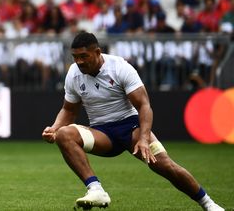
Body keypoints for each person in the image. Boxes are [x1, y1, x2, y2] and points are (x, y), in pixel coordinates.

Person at [42, 31, 224, 211]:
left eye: (84, 56)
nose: (79, 61)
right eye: (75, 57)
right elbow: (69, 109)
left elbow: (144, 105)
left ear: (97, 52)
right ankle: (96, 190)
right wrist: (55, 128)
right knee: (64, 134)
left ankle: (208, 204)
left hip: (131, 129)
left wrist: (144, 139)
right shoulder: (73, 73)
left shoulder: (120, 67)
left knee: (166, 166)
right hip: (102, 134)